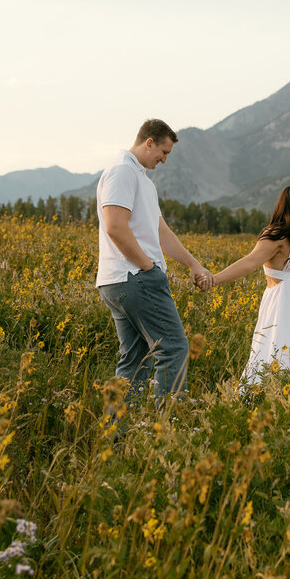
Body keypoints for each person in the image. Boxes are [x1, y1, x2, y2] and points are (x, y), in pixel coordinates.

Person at [95, 119, 213, 400]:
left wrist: (193, 264)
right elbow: (114, 226)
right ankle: (166, 431)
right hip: (134, 278)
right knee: (173, 347)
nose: (164, 159)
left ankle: (120, 436)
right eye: (164, 152)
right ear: (149, 142)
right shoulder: (122, 172)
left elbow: (162, 232)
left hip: (123, 280)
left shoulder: (142, 180)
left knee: (135, 359)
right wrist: (148, 268)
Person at [202, 185, 290, 388]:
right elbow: (249, 262)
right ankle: (274, 394)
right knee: (278, 349)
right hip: (282, 307)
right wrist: (215, 279)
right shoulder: (276, 235)